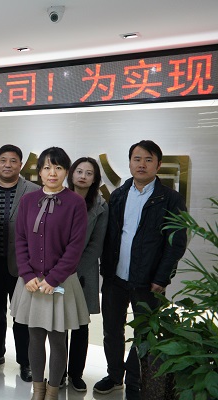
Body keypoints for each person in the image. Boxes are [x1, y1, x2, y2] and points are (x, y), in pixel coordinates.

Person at [94, 140, 187, 400]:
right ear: (130, 163)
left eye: (148, 159)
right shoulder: (119, 194)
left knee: (143, 334)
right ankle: (114, 376)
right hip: (115, 277)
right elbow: (110, 236)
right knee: (112, 330)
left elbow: (176, 242)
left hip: (148, 282)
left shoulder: (170, 199)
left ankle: (135, 382)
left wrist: (162, 277)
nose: (142, 164)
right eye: (137, 159)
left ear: (158, 164)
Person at [9, 147, 89, 400]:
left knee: (57, 339)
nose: (52, 173)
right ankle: (38, 389)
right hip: (31, 282)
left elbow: (75, 247)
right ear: (39, 172)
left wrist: (53, 279)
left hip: (60, 282)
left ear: (66, 172)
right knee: (34, 338)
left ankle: (53, 390)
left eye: (58, 167)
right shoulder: (28, 201)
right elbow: (20, 239)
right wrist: (26, 274)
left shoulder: (76, 203)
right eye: (46, 167)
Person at [0, 145, 39, 382]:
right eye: (3, 160)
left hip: (22, 266)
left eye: (13, 161)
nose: (7, 165)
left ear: (21, 165)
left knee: (22, 317)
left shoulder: (34, 191)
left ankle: (25, 362)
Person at [64, 157, 108, 391]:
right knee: (58, 324)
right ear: (71, 174)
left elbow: (96, 245)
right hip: (57, 271)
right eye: (79, 171)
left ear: (95, 179)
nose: (82, 176)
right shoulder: (58, 198)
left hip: (83, 272)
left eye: (89, 173)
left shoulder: (100, 206)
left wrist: (72, 269)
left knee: (81, 325)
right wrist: (60, 269)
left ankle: (76, 374)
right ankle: (58, 373)